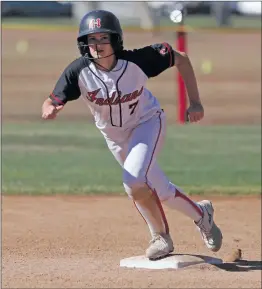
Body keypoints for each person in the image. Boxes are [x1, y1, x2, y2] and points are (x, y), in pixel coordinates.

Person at [42, 10, 223, 260]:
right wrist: (51, 108)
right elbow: (52, 99)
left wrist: (195, 102)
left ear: (116, 40)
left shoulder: (138, 61)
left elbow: (181, 59)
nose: (97, 45)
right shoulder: (78, 71)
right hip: (115, 138)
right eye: (91, 39)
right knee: (160, 189)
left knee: (133, 179)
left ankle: (160, 237)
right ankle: (203, 216)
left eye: (103, 38)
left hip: (147, 123)